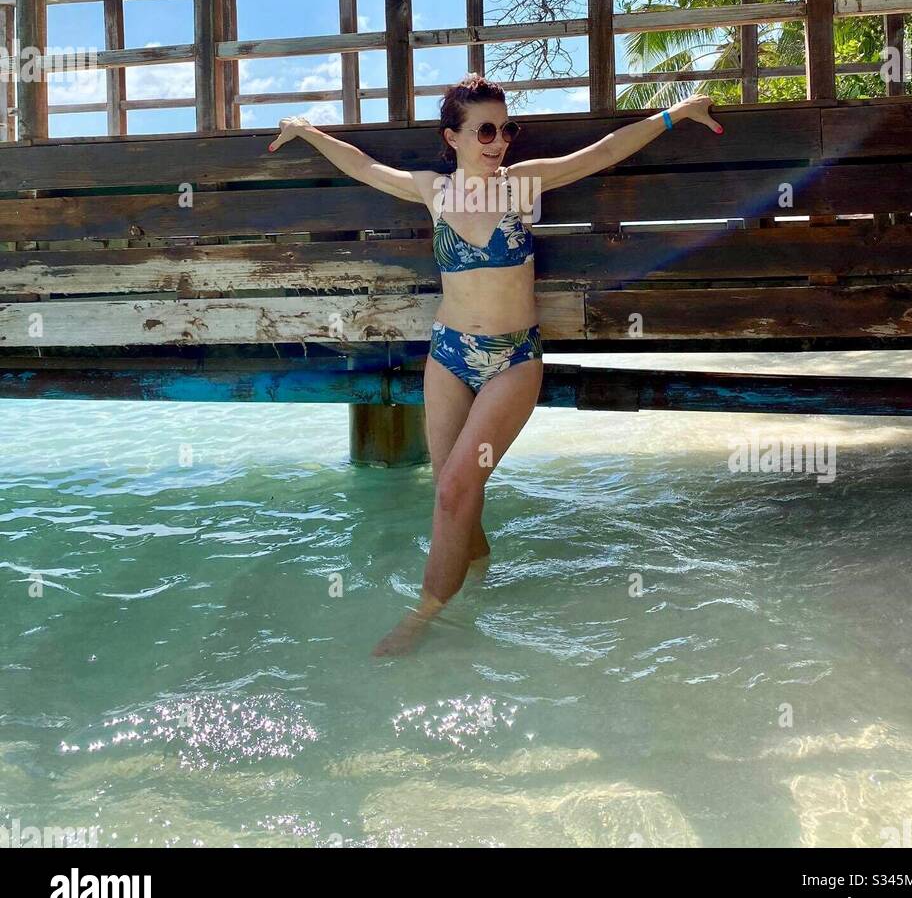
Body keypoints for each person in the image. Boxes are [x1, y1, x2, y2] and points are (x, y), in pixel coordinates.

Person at [268, 76, 723, 652]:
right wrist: (308, 132)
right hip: (449, 355)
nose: (499, 140)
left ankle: (428, 613)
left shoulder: (521, 186)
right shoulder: (434, 191)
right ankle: (476, 567)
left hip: (513, 360)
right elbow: (362, 167)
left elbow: (604, 151)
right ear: (452, 137)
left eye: (506, 128)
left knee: (458, 485)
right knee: (452, 489)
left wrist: (675, 115)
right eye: (485, 129)